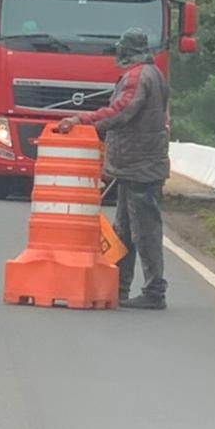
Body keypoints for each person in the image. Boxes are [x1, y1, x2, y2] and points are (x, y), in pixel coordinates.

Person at [57, 28, 169, 310]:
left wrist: (82, 118)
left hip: (139, 165)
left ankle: (154, 291)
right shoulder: (153, 75)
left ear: (127, 51)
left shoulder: (136, 77)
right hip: (137, 165)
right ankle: (119, 287)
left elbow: (121, 111)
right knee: (125, 231)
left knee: (144, 231)